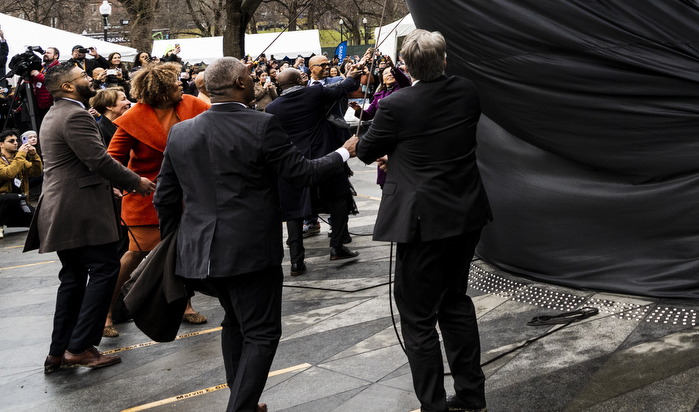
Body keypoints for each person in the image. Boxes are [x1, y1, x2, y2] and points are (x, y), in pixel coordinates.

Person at [154, 57, 360, 412]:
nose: (257, 82)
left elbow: (165, 199)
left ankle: (243, 400)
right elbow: (302, 174)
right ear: (238, 83)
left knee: (234, 322)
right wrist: (345, 151)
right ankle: (241, 406)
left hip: (199, 252)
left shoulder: (182, 131)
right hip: (249, 250)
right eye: (250, 77)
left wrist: (175, 245)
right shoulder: (261, 124)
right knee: (262, 333)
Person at [355, 30, 492, 412]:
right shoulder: (466, 90)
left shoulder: (397, 105)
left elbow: (366, 151)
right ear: (445, 61)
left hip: (423, 221)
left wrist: (392, 149)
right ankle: (471, 395)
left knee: (417, 317)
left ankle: (433, 404)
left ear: (405, 67)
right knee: (456, 303)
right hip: (465, 212)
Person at [27, 63, 154, 373]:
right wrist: (136, 182)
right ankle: (80, 346)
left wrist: (106, 186)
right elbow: (98, 160)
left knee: (72, 278)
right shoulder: (75, 115)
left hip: (62, 208)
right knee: (105, 269)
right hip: (77, 209)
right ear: (68, 88)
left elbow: (77, 164)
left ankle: (59, 351)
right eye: (82, 77)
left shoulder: (56, 113)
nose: (89, 79)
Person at [106, 62, 210, 336]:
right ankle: (105, 311)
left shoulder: (192, 104)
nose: (181, 84)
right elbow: (111, 159)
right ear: (162, 91)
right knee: (134, 254)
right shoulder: (132, 118)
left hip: (190, 195)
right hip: (146, 197)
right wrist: (128, 183)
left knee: (184, 250)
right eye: (175, 81)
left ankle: (185, 305)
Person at [265, 61, 367, 273]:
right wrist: (351, 75)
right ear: (299, 80)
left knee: (294, 210)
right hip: (325, 155)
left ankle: (296, 261)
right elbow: (344, 88)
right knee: (339, 197)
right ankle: (337, 246)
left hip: (291, 161)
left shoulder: (271, 108)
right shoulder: (314, 93)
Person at [1, 128, 42, 234]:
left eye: (16, 141)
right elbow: (9, 173)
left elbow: (36, 172)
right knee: (12, 198)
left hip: (17, 203)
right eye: (11, 141)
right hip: (3, 200)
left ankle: (7, 220)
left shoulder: (18, 158)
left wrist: (33, 155)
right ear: (1, 144)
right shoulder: (14, 158)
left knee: (39, 220)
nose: (15, 143)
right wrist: (21, 154)